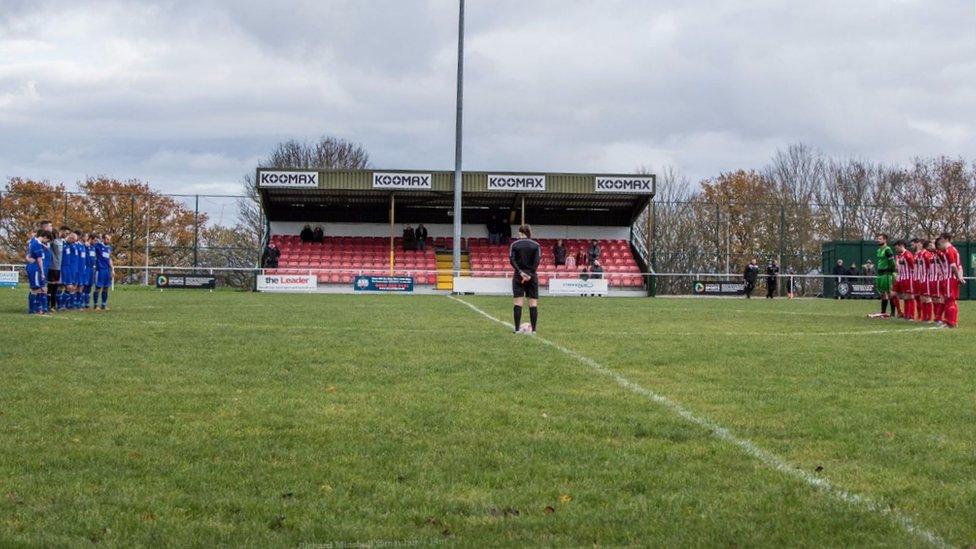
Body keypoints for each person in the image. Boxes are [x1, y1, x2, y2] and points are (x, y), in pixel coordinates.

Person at [509, 224, 541, 334]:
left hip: (518, 276)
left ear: (521, 233)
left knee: (518, 303)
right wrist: (530, 274)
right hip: (532, 277)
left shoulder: (514, 244)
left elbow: (512, 260)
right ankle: (534, 330)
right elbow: (537, 261)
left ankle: (517, 329)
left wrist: (520, 272)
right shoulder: (536, 245)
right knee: (533, 303)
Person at [937, 232, 964, 328]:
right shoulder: (953, 249)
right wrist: (960, 277)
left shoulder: (949, 250)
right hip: (951, 278)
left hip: (949, 278)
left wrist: (958, 277)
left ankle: (952, 322)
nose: (940, 241)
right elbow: (959, 265)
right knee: (949, 300)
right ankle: (951, 321)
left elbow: (953, 265)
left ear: (945, 239)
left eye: (941, 238)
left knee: (950, 300)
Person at [26, 229, 52, 314]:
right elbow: (39, 259)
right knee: (36, 289)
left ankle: (40, 309)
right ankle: (32, 310)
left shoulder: (36, 242)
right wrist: (42, 272)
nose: (47, 241)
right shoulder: (36, 244)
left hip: (34, 267)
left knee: (41, 289)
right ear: (45, 237)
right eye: (47, 240)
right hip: (35, 268)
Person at [875, 233, 897, 317]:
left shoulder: (888, 250)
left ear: (885, 240)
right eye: (878, 238)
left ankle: (892, 313)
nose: (878, 240)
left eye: (880, 239)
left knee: (890, 293)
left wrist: (892, 271)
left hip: (887, 274)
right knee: (883, 293)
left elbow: (892, 262)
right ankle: (883, 312)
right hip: (880, 274)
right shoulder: (879, 250)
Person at [893, 240, 916, 320]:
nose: (896, 250)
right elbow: (897, 268)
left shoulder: (908, 255)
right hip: (902, 278)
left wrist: (914, 278)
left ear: (901, 245)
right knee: (905, 297)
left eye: (897, 248)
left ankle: (911, 315)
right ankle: (906, 314)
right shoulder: (901, 256)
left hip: (908, 278)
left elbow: (913, 267)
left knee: (910, 297)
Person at [913, 239, 932, 322]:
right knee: (922, 298)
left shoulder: (927, 254)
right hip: (920, 279)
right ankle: (924, 316)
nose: (918, 245)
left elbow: (930, 266)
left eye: (919, 244)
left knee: (927, 298)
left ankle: (929, 317)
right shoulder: (920, 254)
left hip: (926, 278)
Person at [93, 233, 113, 311]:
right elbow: (92, 245)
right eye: (107, 239)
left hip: (107, 270)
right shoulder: (98, 246)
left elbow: (109, 259)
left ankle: (103, 305)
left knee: (106, 288)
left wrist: (112, 269)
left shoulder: (109, 248)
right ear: (103, 239)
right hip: (100, 270)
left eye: (109, 239)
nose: (109, 241)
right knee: (98, 288)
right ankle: (95, 305)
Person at [47, 225, 66, 310]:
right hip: (52, 267)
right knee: (51, 287)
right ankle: (48, 305)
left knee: (55, 287)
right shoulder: (52, 242)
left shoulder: (60, 241)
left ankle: (53, 306)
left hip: (57, 268)